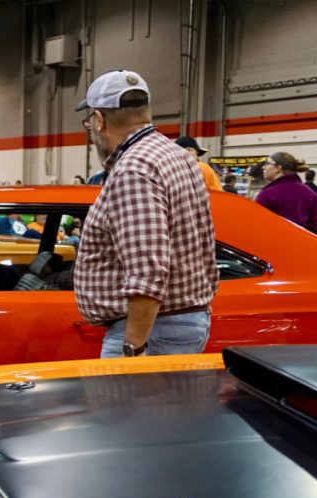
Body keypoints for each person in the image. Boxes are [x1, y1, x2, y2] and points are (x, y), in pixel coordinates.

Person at [74, 69, 217, 358]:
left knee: (124, 404)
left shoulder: (134, 169)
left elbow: (147, 270)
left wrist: (133, 347)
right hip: (175, 322)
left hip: (152, 332)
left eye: (89, 122)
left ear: (99, 121)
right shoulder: (174, 154)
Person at [255, 152, 317, 233]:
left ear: (278, 168)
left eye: (267, 164)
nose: (263, 167)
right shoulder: (311, 194)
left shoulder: (267, 194)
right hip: (302, 244)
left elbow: (257, 226)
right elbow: (314, 228)